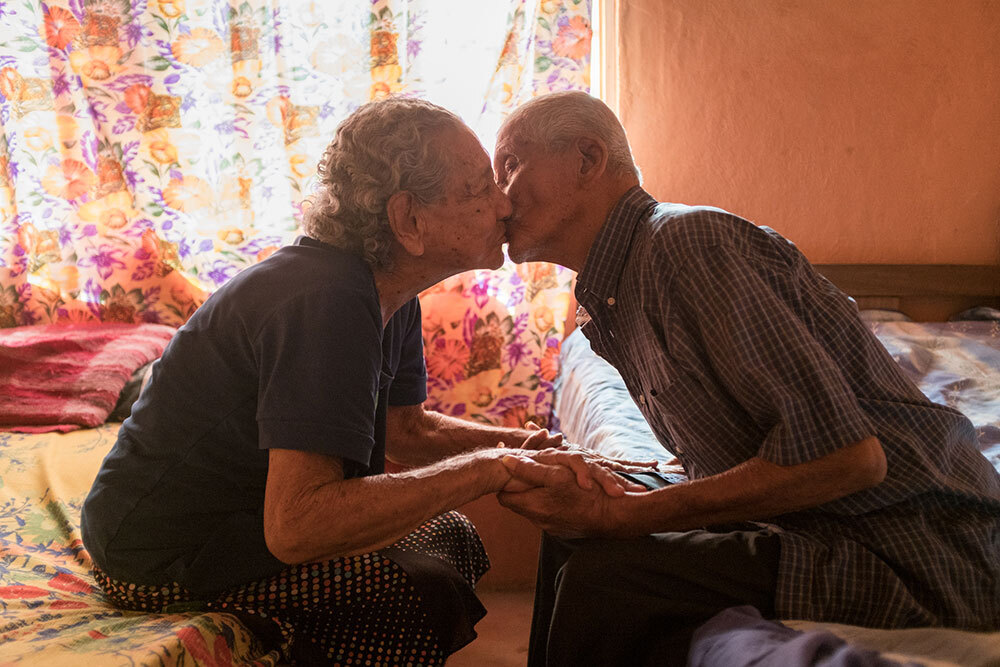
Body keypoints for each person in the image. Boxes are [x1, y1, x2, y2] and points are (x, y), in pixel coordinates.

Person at [81, 97, 645, 666]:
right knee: (415, 588)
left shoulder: (386, 290)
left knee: (449, 537)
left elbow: (407, 432)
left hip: (236, 523)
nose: (504, 204)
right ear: (409, 221)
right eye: (479, 189)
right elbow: (297, 526)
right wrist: (489, 467)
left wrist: (525, 448)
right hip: (156, 554)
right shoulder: (328, 301)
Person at [490, 90, 1000, 666]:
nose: (497, 196)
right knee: (570, 526)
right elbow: (737, 447)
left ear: (587, 159)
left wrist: (628, 514)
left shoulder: (688, 246)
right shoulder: (615, 292)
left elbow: (850, 458)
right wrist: (616, 482)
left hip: (915, 547)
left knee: (604, 577)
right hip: (818, 521)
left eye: (509, 166)